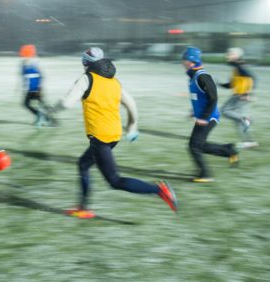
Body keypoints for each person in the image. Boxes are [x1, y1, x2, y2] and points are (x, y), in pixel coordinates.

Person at [49, 47, 178, 218]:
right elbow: (132, 104)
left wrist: (51, 110)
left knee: (115, 181)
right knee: (83, 164)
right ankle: (83, 206)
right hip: (113, 135)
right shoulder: (114, 81)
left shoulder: (87, 79)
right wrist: (132, 126)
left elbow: (66, 103)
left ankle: (159, 190)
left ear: (85, 63)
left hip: (100, 138)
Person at [181, 46, 239, 183]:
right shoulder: (193, 76)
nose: (182, 63)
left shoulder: (203, 76)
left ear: (190, 61)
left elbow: (213, 98)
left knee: (194, 146)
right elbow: (199, 97)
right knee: (199, 145)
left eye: (183, 60)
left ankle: (205, 174)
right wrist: (193, 112)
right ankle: (229, 150)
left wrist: (204, 117)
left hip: (209, 118)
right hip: (203, 116)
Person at [220, 47, 257, 146]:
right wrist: (219, 84)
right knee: (237, 121)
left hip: (241, 96)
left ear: (236, 56)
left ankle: (246, 119)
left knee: (224, 110)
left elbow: (253, 77)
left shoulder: (240, 66)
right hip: (240, 95)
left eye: (229, 54)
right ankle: (249, 141)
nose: (227, 56)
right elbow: (231, 84)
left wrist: (247, 94)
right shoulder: (236, 67)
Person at [18, 44, 53, 127]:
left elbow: (41, 76)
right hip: (29, 89)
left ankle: (48, 120)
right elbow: (24, 77)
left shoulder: (35, 63)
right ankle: (41, 117)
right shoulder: (23, 64)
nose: (23, 56)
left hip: (36, 89)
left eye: (25, 54)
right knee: (26, 104)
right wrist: (23, 88)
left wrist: (39, 89)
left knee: (42, 105)